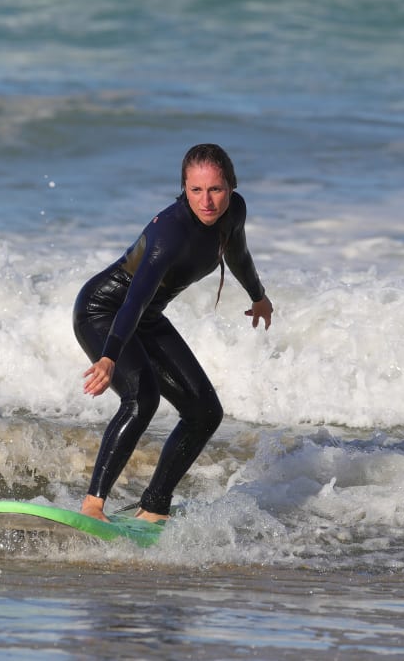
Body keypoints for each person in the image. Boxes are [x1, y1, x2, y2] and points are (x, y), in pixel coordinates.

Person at [73, 144, 273, 523]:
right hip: (103, 312)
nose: (207, 201)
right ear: (183, 188)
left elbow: (238, 256)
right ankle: (92, 505)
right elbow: (133, 300)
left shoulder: (235, 212)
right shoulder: (169, 233)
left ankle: (154, 507)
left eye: (215, 189)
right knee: (141, 398)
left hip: (145, 317)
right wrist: (109, 355)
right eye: (196, 190)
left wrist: (258, 297)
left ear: (231, 186)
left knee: (204, 412)